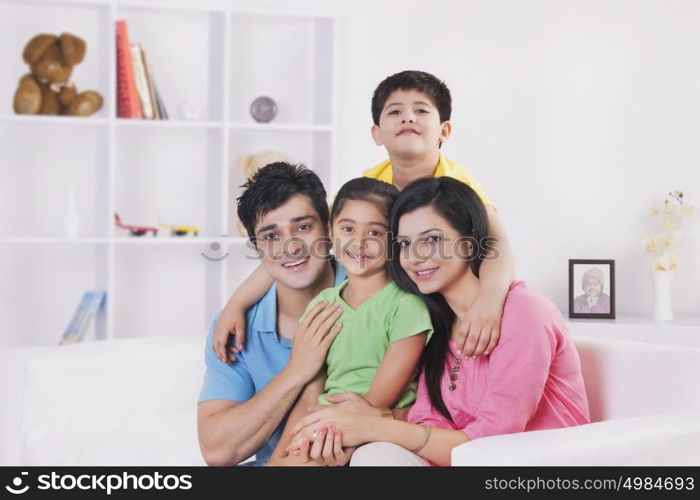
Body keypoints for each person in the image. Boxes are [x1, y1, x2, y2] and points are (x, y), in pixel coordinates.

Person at [213, 70, 514, 366]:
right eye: (395, 111)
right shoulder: (372, 184)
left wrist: (489, 300)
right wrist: (236, 304)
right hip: (399, 300)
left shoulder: (458, 184)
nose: (408, 117)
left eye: (420, 110)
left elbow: (496, 246)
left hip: (449, 296)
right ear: (377, 133)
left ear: (444, 131)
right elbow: (308, 242)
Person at [286, 177, 590, 466]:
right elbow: (429, 422)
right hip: (459, 460)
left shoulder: (525, 311)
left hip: (532, 467)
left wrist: (371, 426)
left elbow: (491, 441)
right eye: (404, 244)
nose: (415, 257)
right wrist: (352, 431)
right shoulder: (438, 322)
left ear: (469, 245)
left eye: (431, 240)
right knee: (373, 456)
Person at [267, 177, 432, 466]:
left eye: (375, 233)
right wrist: (280, 455)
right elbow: (309, 393)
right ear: (330, 231)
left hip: (375, 429)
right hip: (325, 424)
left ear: (394, 240)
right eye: (347, 229)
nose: (359, 242)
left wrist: (331, 432)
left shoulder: (406, 306)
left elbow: (378, 401)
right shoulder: (322, 305)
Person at [197, 162, 347, 466]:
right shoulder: (233, 328)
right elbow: (216, 451)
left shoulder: (373, 292)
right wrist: (297, 370)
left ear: (329, 228)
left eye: (303, 227)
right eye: (270, 236)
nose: (290, 247)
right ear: (256, 247)